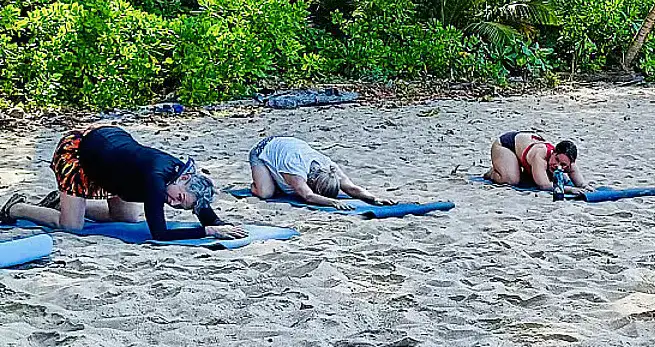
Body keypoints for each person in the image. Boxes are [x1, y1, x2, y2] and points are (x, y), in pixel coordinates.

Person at [0, 125, 246, 241]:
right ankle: (15, 208)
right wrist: (209, 231)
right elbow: (159, 234)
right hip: (82, 152)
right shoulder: (156, 181)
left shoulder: (184, 182)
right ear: (184, 179)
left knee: (127, 219)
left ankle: (59, 202)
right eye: (177, 199)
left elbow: (199, 206)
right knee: (71, 226)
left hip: (114, 166)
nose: (172, 203)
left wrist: (220, 224)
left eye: (180, 207)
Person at [249, 136, 397, 210]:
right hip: (263, 150)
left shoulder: (329, 166)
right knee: (266, 193)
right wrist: (334, 202)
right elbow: (308, 196)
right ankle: (256, 184)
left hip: (288, 146)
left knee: (288, 189)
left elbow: (351, 188)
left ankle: (275, 179)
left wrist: (374, 199)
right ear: (312, 182)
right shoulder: (296, 169)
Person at [485, 132, 587, 194]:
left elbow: (581, 183)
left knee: (562, 179)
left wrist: (585, 187)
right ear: (553, 152)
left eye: (563, 165)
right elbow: (544, 186)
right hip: (506, 145)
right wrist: (570, 189)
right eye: (556, 160)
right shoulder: (541, 155)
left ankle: (515, 168)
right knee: (511, 180)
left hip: (524, 146)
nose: (558, 165)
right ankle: (493, 172)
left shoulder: (567, 159)